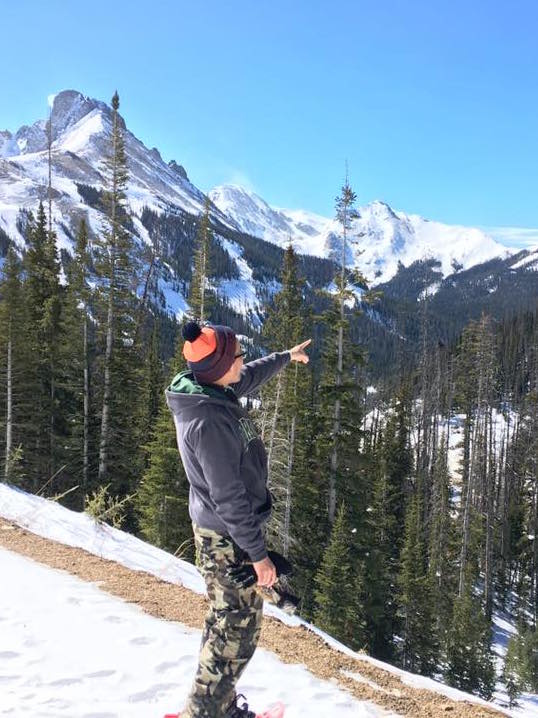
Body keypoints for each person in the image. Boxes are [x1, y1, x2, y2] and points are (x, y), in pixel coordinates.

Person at [165, 321, 311, 718]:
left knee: (227, 624)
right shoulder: (208, 421)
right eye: (237, 356)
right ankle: (203, 712)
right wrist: (258, 556)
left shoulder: (211, 391)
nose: (243, 362)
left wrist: (284, 357)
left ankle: (219, 707)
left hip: (226, 531)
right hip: (225, 534)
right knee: (236, 632)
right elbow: (227, 496)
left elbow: (247, 376)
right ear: (218, 367)